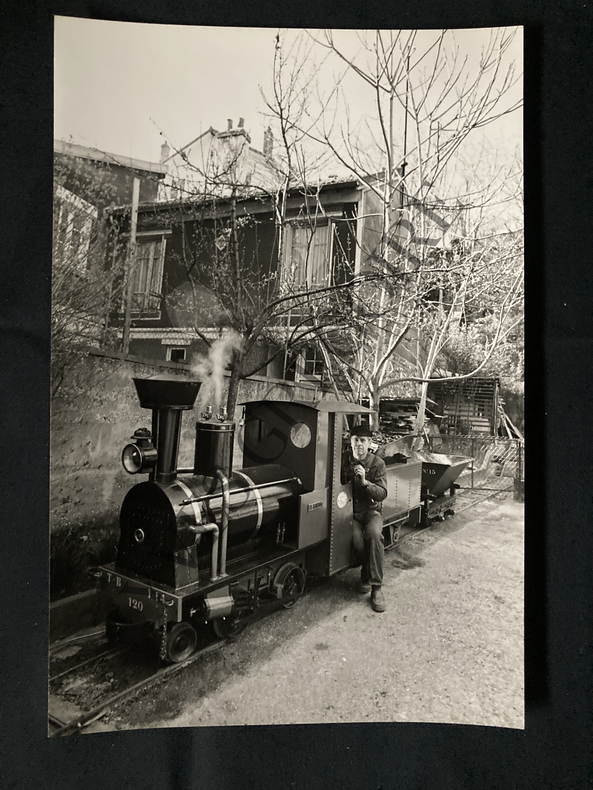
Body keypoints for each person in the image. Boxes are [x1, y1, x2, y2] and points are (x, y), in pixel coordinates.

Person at [342, 424, 388, 612]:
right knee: (357, 542)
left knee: (375, 535)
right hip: (350, 513)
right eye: (355, 440)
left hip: (371, 511)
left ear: (369, 443)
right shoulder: (344, 461)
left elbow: (382, 493)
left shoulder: (377, 464)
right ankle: (366, 573)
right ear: (350, 442)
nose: (359, 444)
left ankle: (376, 587)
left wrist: (365, 482)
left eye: (363, 440)